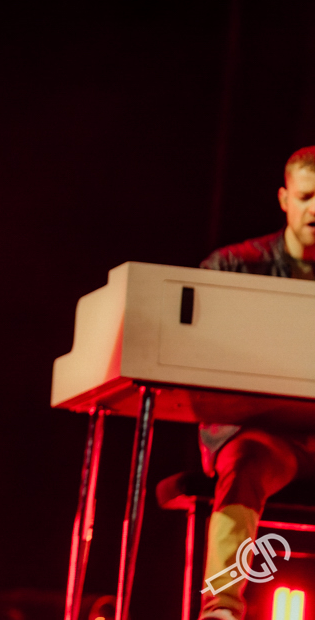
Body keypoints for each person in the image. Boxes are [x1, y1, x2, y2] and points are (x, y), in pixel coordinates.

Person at [197, 146, 315, 620]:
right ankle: (221, 607)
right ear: (285, 199)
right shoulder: (233, 266)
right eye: (307, 197)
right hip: (267, 437)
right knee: (246, 463)